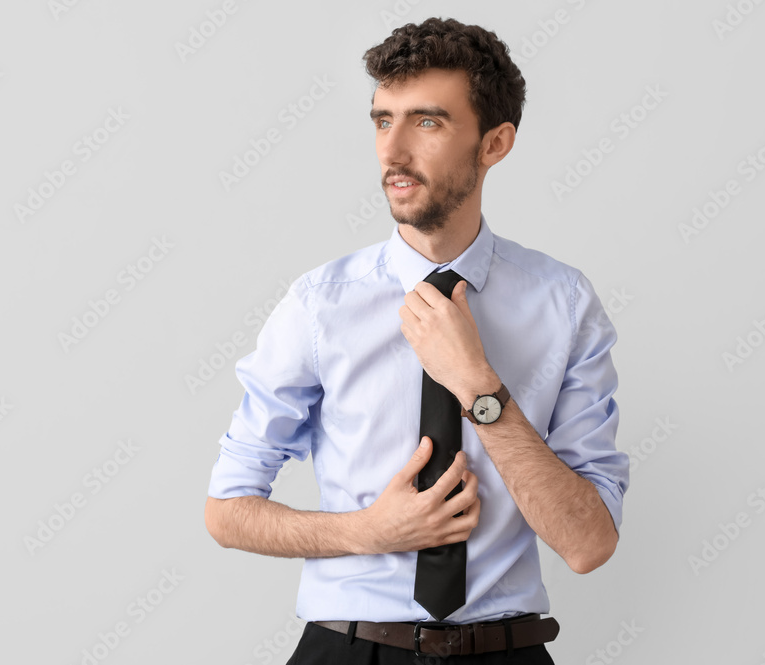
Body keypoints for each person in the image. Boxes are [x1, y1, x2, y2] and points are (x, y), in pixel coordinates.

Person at [204, 17, 629, 664]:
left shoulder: (564, 304)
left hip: (506, 650)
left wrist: (480, 388)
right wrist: (368, 530)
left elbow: (588, 543)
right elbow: (227, 511)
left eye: (426, 122)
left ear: (495, 143)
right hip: (347, 649)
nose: (392, 151)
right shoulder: (320, 305)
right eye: (382, 120)